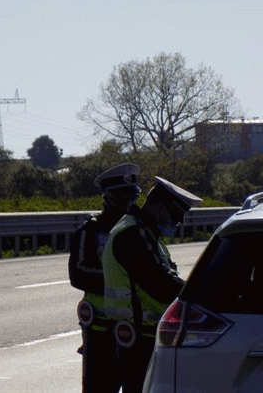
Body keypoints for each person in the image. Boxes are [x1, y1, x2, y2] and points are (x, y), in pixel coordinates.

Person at [102, 176, 202, 393]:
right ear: (158, 206)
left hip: (144, 334)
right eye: (175, 215)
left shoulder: (144, 232)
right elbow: (161, 286)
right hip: (139, 337)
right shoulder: (133, 234)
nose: (178, 222)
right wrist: (200, 295)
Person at [68, 163, 141, 393]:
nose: (128, 206)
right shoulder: (90, 231)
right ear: (107, 199)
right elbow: (78, 274)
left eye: (132, 199)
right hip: (101, 328)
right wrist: (121, 279)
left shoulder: (139, 229)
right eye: (121, 199)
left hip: (136, 326)